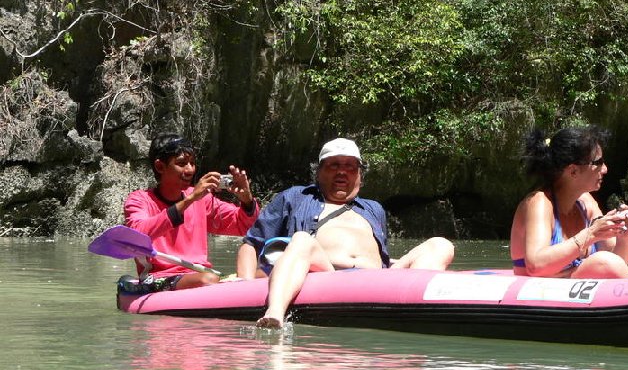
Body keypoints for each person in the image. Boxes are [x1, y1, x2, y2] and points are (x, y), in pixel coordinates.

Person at [236, 137, 455, 328]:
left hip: (377, 278)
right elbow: (252, 242)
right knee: (302, 239)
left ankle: (417, 309)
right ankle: (274, 314)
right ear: (319, 171)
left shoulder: (374, 208)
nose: (342, 171)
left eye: (350, 166)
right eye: (334, 165)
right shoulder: (295, 197)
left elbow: (381, 256)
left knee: (440, 245)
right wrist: (243, 282)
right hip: (326, 273)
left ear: (359, 175)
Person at [510, 126, 628, 278]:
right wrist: (591, 234)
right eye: (598, 163)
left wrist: (623, 237)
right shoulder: (539, 203)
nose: (605, 169)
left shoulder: (586, 203)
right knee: (602, 262)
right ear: (573, 171)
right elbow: (536, 266)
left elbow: (620, 260)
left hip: (580, 285)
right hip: (540, 295)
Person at [124, 132, 260, 291]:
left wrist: (247, 201)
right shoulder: (139, 200)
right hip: (160, 278)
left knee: (263, 275)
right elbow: (138, 236)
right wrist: (190, 200)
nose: (190, 170)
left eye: (192, 163)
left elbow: (244, 226)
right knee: (208, 279)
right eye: (182, 163)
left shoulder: (202, 200)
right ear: (160, 167)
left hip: (201, 274)